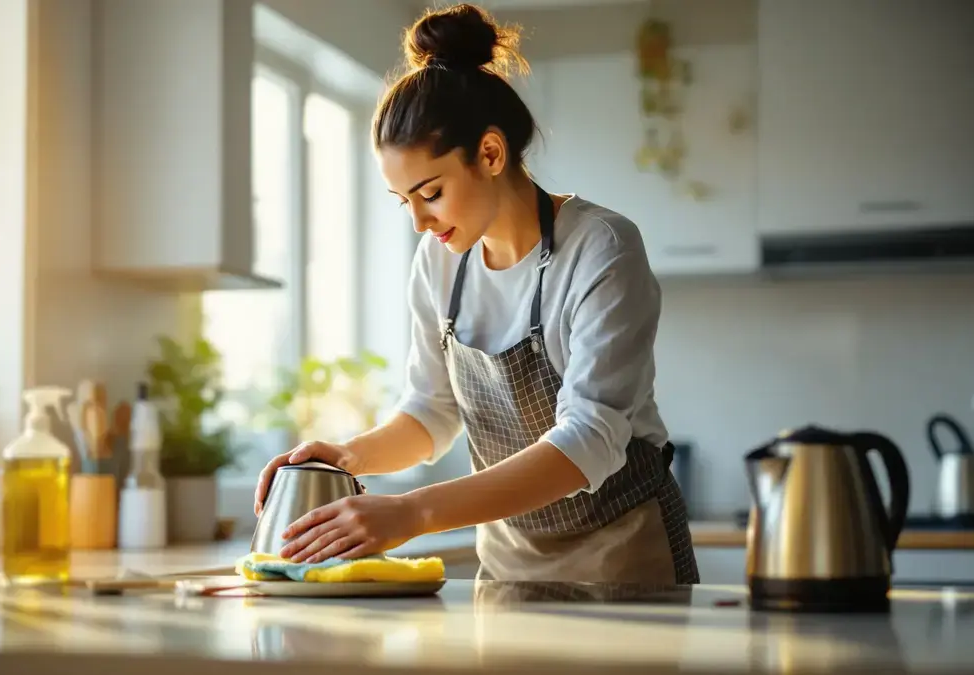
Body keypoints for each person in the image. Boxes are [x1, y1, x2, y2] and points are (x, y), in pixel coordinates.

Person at [253, 3, 699, 585]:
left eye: (430, 193)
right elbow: (430, 413)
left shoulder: (602, 247)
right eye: (403, 201)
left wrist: (413, 512)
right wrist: (350, 457)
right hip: (509, 559)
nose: (419, 221)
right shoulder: (439, 260)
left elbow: (589, 438)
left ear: (490, 154)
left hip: (625, 553)